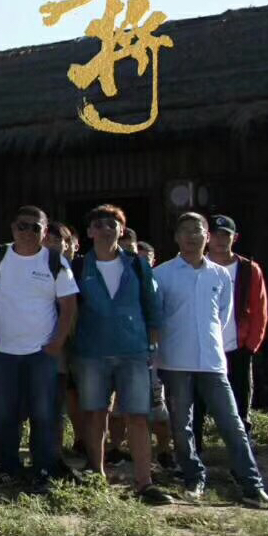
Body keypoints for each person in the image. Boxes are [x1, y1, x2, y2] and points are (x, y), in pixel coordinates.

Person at [155, 214, 268, 509]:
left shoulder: (220, 275)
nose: (192, 236)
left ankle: (252, 486)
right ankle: (193, 478)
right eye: (185, 231)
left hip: (213, 361)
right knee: (182, 426)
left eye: (198, 230)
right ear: (176, 237)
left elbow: (224, 319)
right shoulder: (162, 274)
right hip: (176, 361)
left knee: (233, 424)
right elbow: (158, 319)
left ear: (207, 236)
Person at [0, 206, 78, 488]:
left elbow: (69, 304)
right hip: (3, 351)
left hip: (41, 352)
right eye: (23, 226)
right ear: (13, 228)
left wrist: (57, 342)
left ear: (45, 232)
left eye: (36, 227)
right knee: (5, 413)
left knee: (43, 413)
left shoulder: (55, 261)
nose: (28, 232)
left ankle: (44, 469)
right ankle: (8, 467)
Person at [70, 205, 167, 502]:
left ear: (121, 230)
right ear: (89, 232)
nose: (105, 229)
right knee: (95, 414)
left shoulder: (138, 265)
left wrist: (151, 346)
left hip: (133, 351)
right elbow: (69, 310)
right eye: (98, 224)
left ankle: (144, 482)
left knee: (138, 416)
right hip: (91, 353)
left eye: (112, 224)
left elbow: (152, 308)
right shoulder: (77, 267)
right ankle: (97, 476)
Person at [203, 215, 268, 430]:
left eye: (226, 235)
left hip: (237, 345)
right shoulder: (195, 266)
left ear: (235, 238)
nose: (220, 240)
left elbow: (259, 310)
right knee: (198, 404)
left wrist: (251, 345)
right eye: (215, 235)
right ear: (206, 237)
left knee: (240, 403)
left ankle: (242, 445)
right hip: (202, 347)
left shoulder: (249, 269)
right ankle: (197, 447)